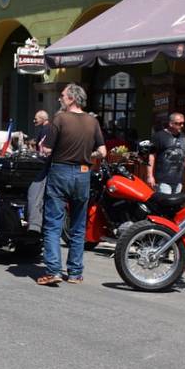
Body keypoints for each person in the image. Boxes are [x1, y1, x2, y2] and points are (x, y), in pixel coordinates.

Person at [37, 84, 106, 286]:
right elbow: (102, 151)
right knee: (77, 225)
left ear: (72, 99)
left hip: (60, 171)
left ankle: (53, 270)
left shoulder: (60, 119)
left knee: (53, 224)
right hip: (83, 173)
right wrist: (86, 156)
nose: (60, 99)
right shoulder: (92, 121)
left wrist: (42, 147)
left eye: (62, 96)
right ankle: (75, 272)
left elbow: (47, 150)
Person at [148, 112, 185, 194]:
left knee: (176, 205)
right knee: (164, 205)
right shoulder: (159, 136)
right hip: (163, 180)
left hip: (178, 181)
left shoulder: (183, 136)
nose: (182, 125)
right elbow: (151, 156)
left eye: (183, 123)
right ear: (170, 123)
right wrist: (150, 176)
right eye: (179, 123)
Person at [26, 110, 50, 233]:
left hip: (44, 165)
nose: (34, 121)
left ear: (42, 119)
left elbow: (43, 149)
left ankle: (34, 225)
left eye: (36, 118)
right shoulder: (44, 129)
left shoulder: (46, 129)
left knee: (35, 193)